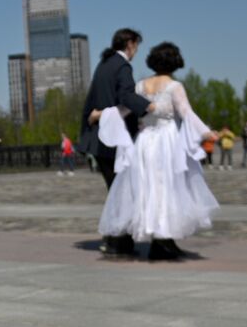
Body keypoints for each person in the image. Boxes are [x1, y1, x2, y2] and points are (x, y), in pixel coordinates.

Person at [96, 42, 218, 260]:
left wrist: (101, 115)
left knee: (147, 187)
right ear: (175, 62)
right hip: (167, 141)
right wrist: (207, 133)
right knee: (166, 187)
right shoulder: (174, 86)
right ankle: (162, 240)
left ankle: (160, 239)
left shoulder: (141, 85)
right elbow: (187, 113)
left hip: (144, 142)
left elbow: (124, 110)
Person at [79, 29, 154, 259]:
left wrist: (89, 125)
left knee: (115, 192)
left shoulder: (103, 65)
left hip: (100, 140)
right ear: (130, 44)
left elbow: (90, 102)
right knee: (123, 192)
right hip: (116, 142)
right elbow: (126, 96)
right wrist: (151, 106)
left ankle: (114, 240)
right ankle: (118, 243)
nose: (136, 52)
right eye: (136, 46)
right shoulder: (122, 67)